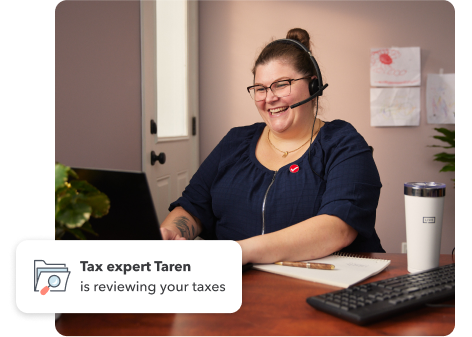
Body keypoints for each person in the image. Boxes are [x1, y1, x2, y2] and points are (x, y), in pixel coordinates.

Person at [160, 28, 384, 264]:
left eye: (281, 84)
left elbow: (338, 227)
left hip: (325, 288)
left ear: (313, 85)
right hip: (237, 285)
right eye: (260, 89)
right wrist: (171, 233)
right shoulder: (235, 141)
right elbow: (192, 206)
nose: (269, 98)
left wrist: (237, 253)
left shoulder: (342, 143)